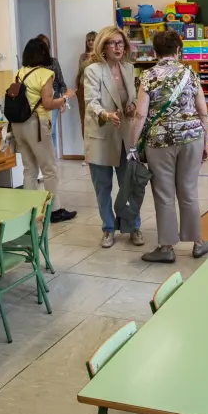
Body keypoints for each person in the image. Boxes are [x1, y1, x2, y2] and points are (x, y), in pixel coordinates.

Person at [127, 31, 208, 263]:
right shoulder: (191, 74)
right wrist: (204, 142)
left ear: (155, 51)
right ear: (178, 50)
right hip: (191, 138)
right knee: (189, 191)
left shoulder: (148, 76)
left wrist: (133, 146)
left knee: (164, 194)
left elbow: (140, 114)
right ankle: (198, 243)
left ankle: (166, 248)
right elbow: (203, 112)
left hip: (159, 141)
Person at [83, 26, 143, 249]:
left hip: (125, 136)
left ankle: (133, 226)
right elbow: (91, 102)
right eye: (113, 43)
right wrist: (105, 114)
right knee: (103, 187)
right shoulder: (93, 71)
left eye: (121, 43)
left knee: (129, 186)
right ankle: (108, 228)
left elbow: (134, 98)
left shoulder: (129, 68)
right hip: (101, 134)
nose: (118, 47)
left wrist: (132, 107)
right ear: (103, 46)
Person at [11, 38, 77, 223]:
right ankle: (54, 210)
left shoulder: (20, 73)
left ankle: (29, 212)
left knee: (29, 169)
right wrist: (65, 97)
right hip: (36, 125)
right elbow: (48, 104)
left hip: (18, 125)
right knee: (49, 168)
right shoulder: (45, 73)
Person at [37, 34, 67, 152]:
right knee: (40, 132)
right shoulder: (33, 65)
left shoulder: (53, 62)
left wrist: (63, 101)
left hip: (52, 101)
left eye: (45, 45)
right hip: (37, 103)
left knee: (51, 129)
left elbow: (61, 83)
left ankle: (52, 158)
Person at [76, 30, 97, 136]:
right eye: (88, 40)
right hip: (82, 89)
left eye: (93, 40)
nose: (90, 42)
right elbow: (79, 74)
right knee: (83, 118)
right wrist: (77, 89)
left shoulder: (100, 56)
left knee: (94, 118)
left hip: (94, 90)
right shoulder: (83, 56)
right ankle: (86, 147)